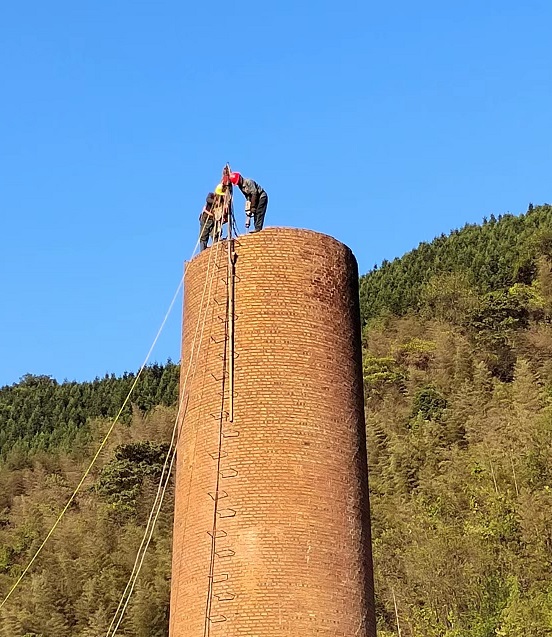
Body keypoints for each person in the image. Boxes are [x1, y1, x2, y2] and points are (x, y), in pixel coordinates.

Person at [199, 185, 227, 251]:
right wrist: (216, 202)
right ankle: (203, 251)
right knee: (203, 236)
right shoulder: (211, 195)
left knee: (215, 234)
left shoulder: (222, 201)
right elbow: (208, 200)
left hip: (215, 221)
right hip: (206, 219)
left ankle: (215, 249)